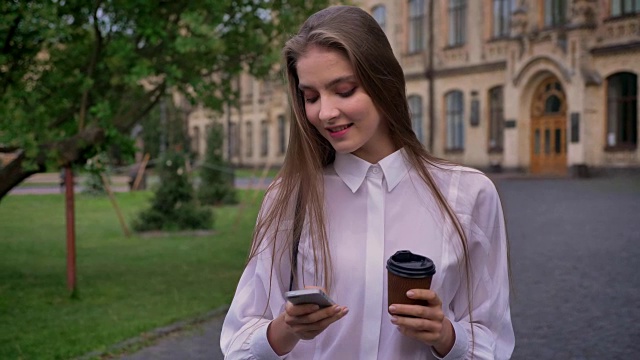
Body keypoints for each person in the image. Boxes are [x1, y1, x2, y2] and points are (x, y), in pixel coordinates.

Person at [221, 5, 514, 359]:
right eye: (311, 97)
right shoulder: (289, 198)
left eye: (344, 90)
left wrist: (446, 336)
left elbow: (490, 336)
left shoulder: (467, 195)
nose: (325, 113)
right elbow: (240, 340)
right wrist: (286, 328)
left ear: (384, 83)